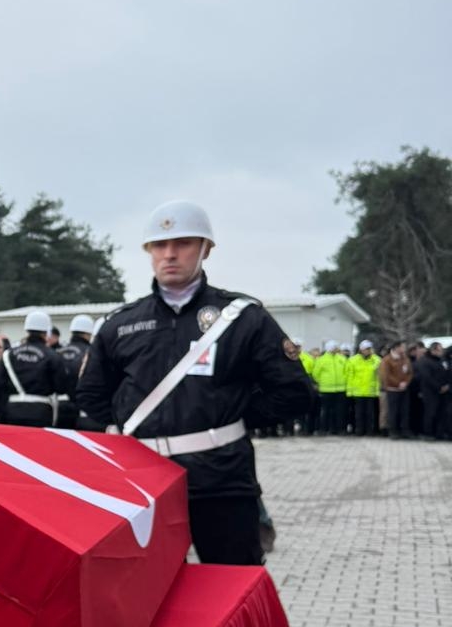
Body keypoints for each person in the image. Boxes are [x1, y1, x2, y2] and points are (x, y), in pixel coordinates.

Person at [77, 200, 311, 566]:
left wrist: (232, 418)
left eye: (183, 243)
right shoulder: (119, 324)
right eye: (159, 245)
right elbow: (92, 395)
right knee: (147, 589)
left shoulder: (243, 317)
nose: (170, 254)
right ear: (149, 251)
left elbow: (294, 391)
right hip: (142, 482)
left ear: (206, 249)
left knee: (231, 585)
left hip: (223, 480)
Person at [0, 310, 72, 428]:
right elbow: (61, 387)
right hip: (41, 411)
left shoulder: (8, 354)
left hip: (13, 411)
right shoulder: (53, 355)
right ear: (46, 332)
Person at [53, 313, 95, 429]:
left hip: (57, 406)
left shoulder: (57, 352)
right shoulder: (90, 352)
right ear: (88, 334)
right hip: (79, 408)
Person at [344, 340, 381, 436]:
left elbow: (378, 377)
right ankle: (359, 430)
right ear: (361, 350)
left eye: (369, 349)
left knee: (370, 413)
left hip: (370, 391)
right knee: (359, 413)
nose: (368, 351)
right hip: (358, 391)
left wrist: (377, 391)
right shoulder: (353, 360)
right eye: (366, 349)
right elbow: (349, 376)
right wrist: (349, 391)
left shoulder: (377, 360)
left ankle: (369, 431)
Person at [378, 341, 414, 438]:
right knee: (393, 411)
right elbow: (386, 375)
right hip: (392, 389)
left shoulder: (405, 359)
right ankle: (393, 430)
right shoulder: (387, 360)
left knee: (404, 411)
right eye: (402, 347)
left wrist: (406, 382)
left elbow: (410, 372)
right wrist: (398, 383)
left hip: (404, 389)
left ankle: (404, 430)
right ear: (396, 348)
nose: (404, 349)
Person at [414, 342, 448, 440]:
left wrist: (446, 386)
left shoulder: (441, 360)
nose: (442, 352)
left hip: (442, 391)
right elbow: (427, 377)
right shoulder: (425, 361)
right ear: (433, 350)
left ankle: (439, 433)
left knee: (441, 413)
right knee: (430, 413)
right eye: (440, 350)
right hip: (430, 392)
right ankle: (427, 433)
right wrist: (439, 387)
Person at [312, 341, 347, 435]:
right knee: (325, 411)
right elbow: (315, 374)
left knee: (339, 411)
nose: (336, 349)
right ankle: (324, 429)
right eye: (334, 347)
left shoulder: (342, 359)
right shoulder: (321, 360)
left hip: (340, 389)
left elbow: (346, 371)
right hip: (326, 390)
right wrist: (322, 382)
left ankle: (339, 429)